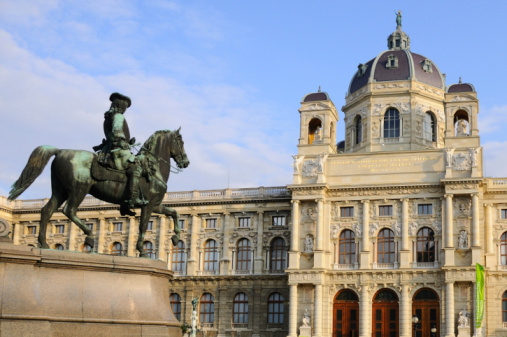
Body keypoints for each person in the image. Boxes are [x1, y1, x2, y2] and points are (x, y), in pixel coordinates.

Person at [93, 93, 148, 216]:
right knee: (136, 166)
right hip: (117, 151)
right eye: (125, 106)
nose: (125, 109)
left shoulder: (108, 116)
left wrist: (128, 143)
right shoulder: (118, 116)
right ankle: (131, 200)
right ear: (120, 105)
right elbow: (117, 132)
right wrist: (122, 142)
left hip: (110, 149)